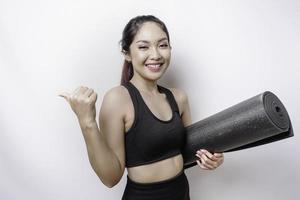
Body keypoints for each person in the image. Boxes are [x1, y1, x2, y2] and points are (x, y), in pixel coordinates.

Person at [59, 15, 224, 200]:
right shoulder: (117, 99)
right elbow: (110, 178)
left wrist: (209, 158)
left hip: (181, 193)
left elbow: (186, 153)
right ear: (127, 53)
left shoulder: (179, 97)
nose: (155, 55)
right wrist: (87, 122)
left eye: (162, 45)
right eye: (143, 47)